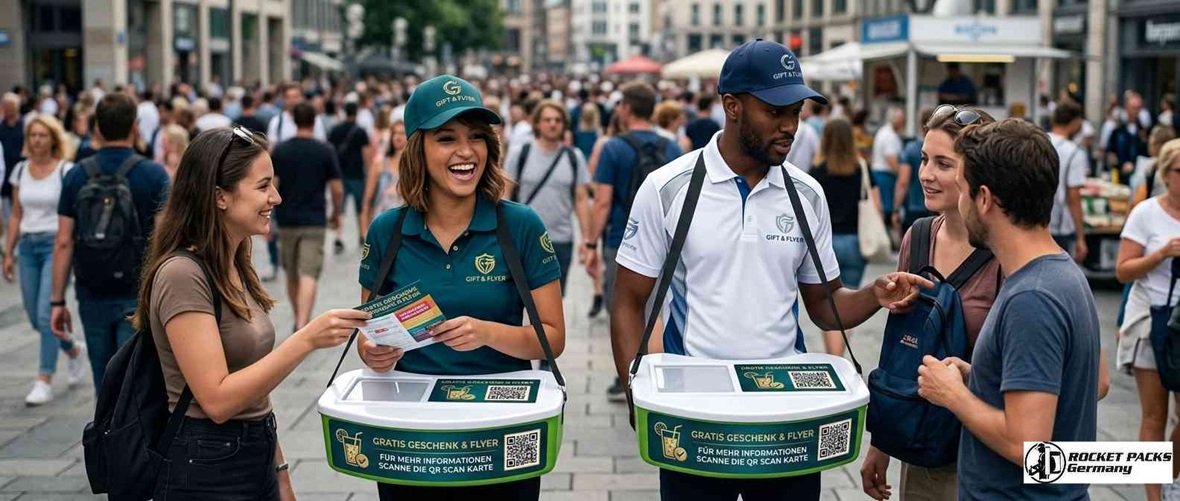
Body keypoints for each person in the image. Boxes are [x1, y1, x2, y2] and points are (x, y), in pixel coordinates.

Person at [610, 40, 930, 500]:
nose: (789, 126)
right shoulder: (667, 188)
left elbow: (825, 307)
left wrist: (873, 295)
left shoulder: (807, 194)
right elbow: (628, 301)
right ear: (732, 107)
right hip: (696, 413)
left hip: (786, 418)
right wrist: (635, 396)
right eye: (775, 111)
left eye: (795, 112)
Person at [356, 75, 565, 500]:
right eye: (446, 138)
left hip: (502, 429)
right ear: (418, 149)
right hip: (411, 433)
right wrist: (373, 351)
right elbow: (368, 334)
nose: (466, 151)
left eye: (476, 136)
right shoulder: (386, 231)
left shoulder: (520, 225)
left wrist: (486, 333)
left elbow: (553, 339)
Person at [135, 126, 369, 499]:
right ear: (220, 196)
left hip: (254, 452)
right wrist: (306, 339)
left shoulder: (234, 259)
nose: (276, 197)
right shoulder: (182, 275)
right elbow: (217, 401)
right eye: (263, 186)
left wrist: (280, 472)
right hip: (207, 465)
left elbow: (253, 386)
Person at [916, 118, 1101, 499]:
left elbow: (1026, 445)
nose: (961, 202)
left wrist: (952, 395)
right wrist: (980, 376)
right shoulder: (1060, 273)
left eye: (963, 189)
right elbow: (1084, 382)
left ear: (984, 199)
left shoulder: (1031, 297)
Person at [860, 106, 1002, 501]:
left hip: (984, 452)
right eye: (924, 159)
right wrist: (883, 441)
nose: (925, 174)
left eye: (943, 164)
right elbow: (904, 347)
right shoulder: (919, 237)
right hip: (922, 444)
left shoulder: (1003, 251)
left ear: (977, 173)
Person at [50, 92, 171, 389]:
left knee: (103, 380)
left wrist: (57, 300)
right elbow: (164, 239)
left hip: (92, 289)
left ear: (97, 129)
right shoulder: (154, 174)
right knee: (134, 382)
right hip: (137, 290)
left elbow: (63, 241)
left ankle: (104, 419)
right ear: (135, 127)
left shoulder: (76, 175)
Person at [588, 81, 683, 402]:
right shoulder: (671, 147)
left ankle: (628, 378)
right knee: (658, 312)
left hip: (622, 240)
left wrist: (590, 243)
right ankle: (658, 375)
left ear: (626, 108)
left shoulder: (613, 148)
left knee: (626, 310)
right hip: (666, 243)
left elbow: (602, 201)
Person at [3, 115, 87, 405]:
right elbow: (16, 214)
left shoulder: (66, 170)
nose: (37, 140)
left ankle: (44, 378)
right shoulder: (20, 170)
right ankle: (73, 349)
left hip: (56, 245)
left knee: (44, 313)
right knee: (33, 315)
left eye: (42, 135)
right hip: (27, 246)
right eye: (33, 135)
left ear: (53, 138)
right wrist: (8, 252)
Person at [1116, 136, 1180, 501]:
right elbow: (1123, 270)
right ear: (1166, 174)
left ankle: (1170, 477)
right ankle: (1155, 495)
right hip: (1150, 320)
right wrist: (1161, 254)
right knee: (1154, 415)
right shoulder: (1146, 213)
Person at [504, 100, 594, 295]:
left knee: (554, 300)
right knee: (519, 298)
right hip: (524, 238)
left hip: (561, 239)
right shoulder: (520, 153)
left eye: (557, 120)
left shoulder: (574, 156)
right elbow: (505, 194)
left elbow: (581, 199)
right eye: (547, 120)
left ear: (564, 124)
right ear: (537, 123)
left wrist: (586, 240)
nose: (553, 124)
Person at [809, 117, 880, 356]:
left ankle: (834, 358)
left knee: (829, 304)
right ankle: (838, 354)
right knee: (849, 303)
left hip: (826, 244)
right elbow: (876, 203)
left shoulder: (818, 171)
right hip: (855, 242)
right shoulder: (861, 167)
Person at [271, 102, 344, 331]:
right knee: (309, 272)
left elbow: (272, 184)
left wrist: (269, 216)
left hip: (287, 218)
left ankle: (298, 318)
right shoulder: (324, 150)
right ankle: (303, 322)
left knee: (292, 272)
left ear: (294, 120)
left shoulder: (281, 150)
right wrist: (336, 213)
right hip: (314, 218)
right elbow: (337, 188)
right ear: (314, 121)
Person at [1045, 100, 1090, 263]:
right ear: (1075, 122)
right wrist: (1081, 237)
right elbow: (1073, 197)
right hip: (1060, 227)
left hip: (1035, 222)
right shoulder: (1074, 153)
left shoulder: (1039, 142)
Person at [327, 101, 372, 254]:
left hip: (339, 174)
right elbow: (366, 154)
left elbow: (330, 151)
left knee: (340, 208)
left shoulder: (335, 130)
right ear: (356, 113)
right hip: (357, 174)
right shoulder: (360, 131)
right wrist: (369, 172)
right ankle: (362, 234)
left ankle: (339, 237)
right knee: (360, 206)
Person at [361, 119, 407, 238]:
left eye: (402, 133)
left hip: (404, 225)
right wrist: (364, 231)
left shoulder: (414, 166)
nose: (398, 137)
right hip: (381, 222)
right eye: (395, 133)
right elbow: (367, 199)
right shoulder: (380, 164)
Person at [893, 108, 934, 236]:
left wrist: (896, 209)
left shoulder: (910, 149)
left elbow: (903, 182)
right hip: (935, 208)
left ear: (920, 124)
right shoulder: (942, 149)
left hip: (913, 207)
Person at [872, 107, 905, 228]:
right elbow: (891, 160)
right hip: (885, 177)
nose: (903, 122)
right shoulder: (889, 136)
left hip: (883, 176)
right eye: (901, 119)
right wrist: (902, 175)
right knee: (887, 210)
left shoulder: (887, 133)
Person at [1131, 126, 1178, 207]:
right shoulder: (1156, 166)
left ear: (1158, 145)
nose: (1148, 144)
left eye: (1151, 142)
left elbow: (1139, 197)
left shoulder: (1153, 167)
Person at [1107, 94, 1150, 182]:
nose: (1136, 111)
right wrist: (1119, 164)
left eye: (1138, 108)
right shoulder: (1118, 131)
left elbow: (1147, 154)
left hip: (1138, 177)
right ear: (1127, 108)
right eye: (1133, 108)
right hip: (1120, 175)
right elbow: (1111, 151)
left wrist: (1135, 165)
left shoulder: (1144, 132)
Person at [1, 93, 26, 223]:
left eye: (12, 106)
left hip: (22, 173)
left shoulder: (25, 125)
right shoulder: (1, 127)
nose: (9, 109)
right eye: (6, 106)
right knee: (8, 216)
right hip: (5, 176)